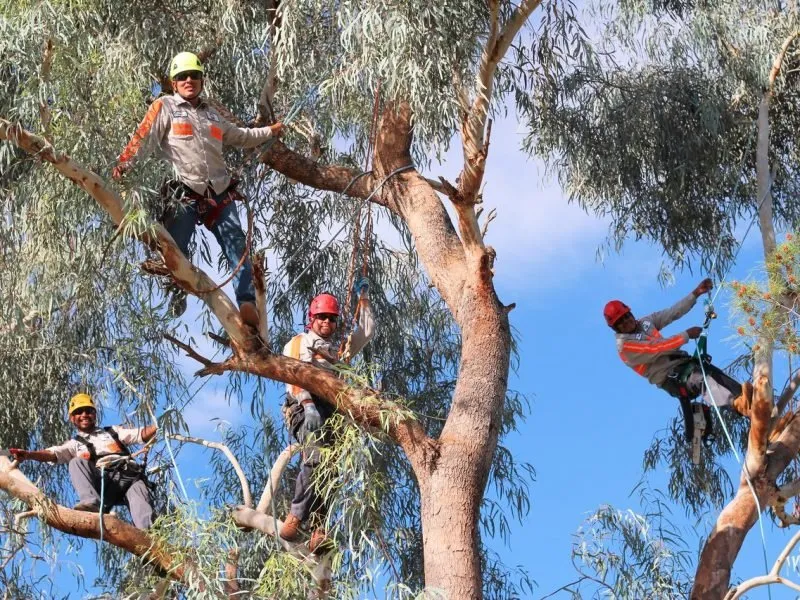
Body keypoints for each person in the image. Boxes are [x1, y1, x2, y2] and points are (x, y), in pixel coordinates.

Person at [112, 51, 285, 327]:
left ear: (202, 80)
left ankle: (247, 303)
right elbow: (143, 138)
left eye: (194, 75)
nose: (189, 80)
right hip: (183, 191)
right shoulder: (165, 106)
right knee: (174, 249)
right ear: (173, 81)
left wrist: (270, 131)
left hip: (218, 191)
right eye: (182, 76)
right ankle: (177, 291)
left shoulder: (212, 115)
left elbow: (241, 137)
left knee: (237, 244)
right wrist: (124, 164)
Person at [279, 280, 375, 552]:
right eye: (321, 317)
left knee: (331, 469)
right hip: (303, 408)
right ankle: (297, 515)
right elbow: (294, 374)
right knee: (314, 458)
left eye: (331, 319)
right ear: (312, 318)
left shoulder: (339, 351)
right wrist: (308, 405)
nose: (326, 323)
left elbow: (367, 331)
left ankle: (319, 527)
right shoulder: (300, 342)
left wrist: (363, 299)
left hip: (333, 413)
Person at [604, 278, 752, 426]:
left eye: (626, 316)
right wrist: (686, 335)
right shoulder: (625, 346)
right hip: (672, 378)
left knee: (715, 374)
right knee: (700, 380)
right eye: (621, 322)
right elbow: (656, 348)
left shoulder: (645, 323)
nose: (626, 321)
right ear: (615, 328)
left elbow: (672, 312)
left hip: (684, 364)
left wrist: (695, 294)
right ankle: (737, 405)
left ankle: (749, 400)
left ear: (630, 313)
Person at [9, 393, 157, 529]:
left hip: (130, 478)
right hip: (103, 482)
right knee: (76, 462)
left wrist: (158, 426)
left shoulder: (113, 432)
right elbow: (53, 453)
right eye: (79, 412)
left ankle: (151, 546)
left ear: (94, 414)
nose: (84, 415)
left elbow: (140, 434)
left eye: (88, 411)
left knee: (144, 513)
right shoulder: (75, 444)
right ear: (72, 418)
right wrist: (28, 454)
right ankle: (91, 503)